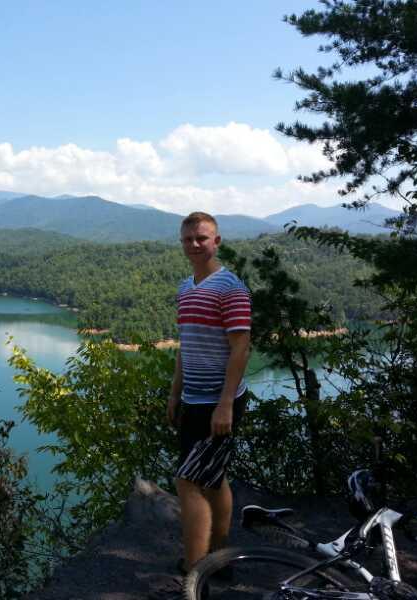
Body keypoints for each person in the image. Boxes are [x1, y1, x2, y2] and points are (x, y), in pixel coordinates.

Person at [167, 211, 251, 574]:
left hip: (218, 403)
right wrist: (175, 394)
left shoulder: (230, 287)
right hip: (193, 400)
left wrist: (225, 406)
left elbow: (241, 348)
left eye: (202, 238)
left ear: (217, 241)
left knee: (188, 482)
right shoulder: (186, 288)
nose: (194, 245)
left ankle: (195, 572)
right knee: (213, 480)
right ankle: (220, 559)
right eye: (188, 239)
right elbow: (186, 346)